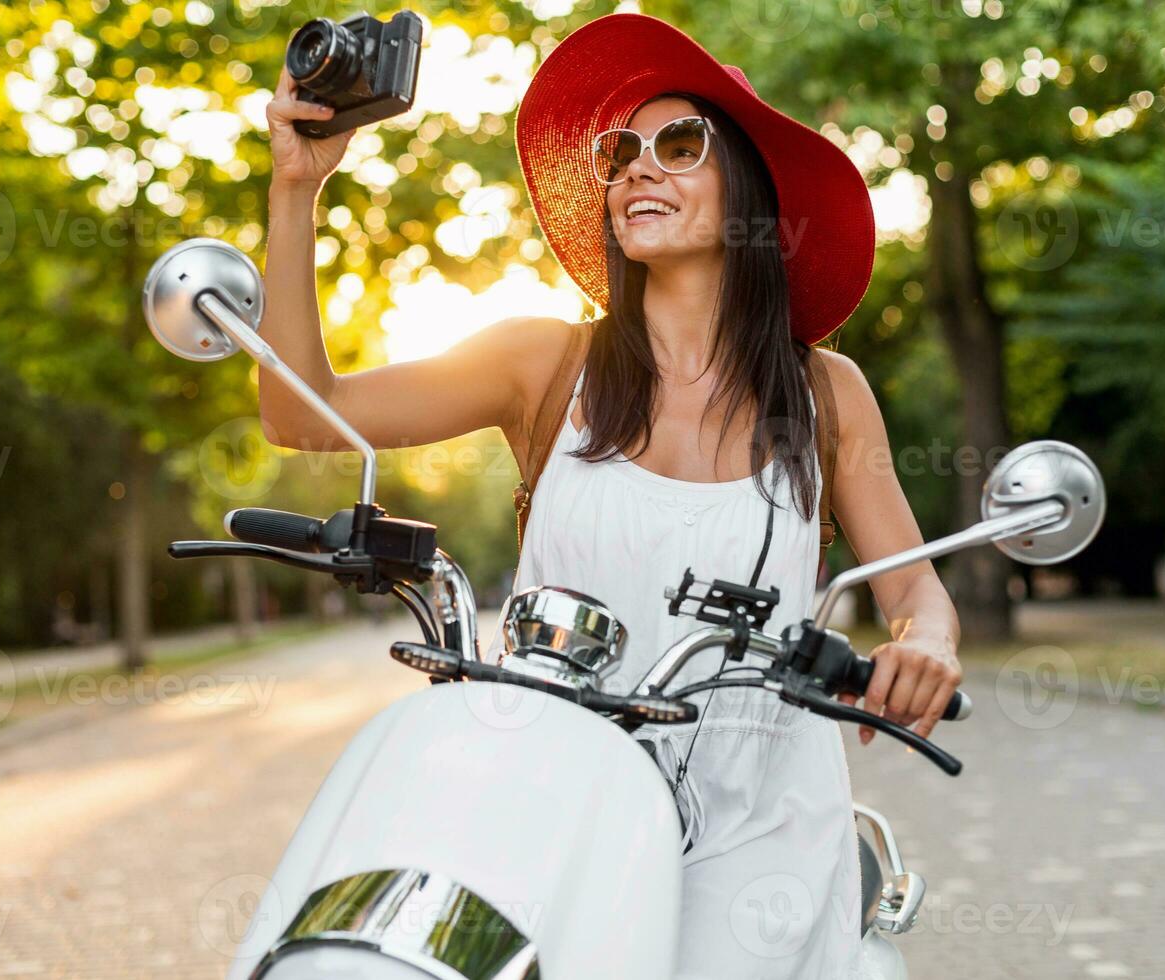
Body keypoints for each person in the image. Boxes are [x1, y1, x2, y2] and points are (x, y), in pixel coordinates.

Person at [257, 13, 962, 979]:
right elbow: (306, 414)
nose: (637, 168)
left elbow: (913, 592)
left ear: (747, 189)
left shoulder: (826, 394)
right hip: (554, 796)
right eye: (618, 152)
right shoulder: (543, 364)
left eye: (678, 145)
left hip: (760, 831)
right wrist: (298, 189)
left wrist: (927, 643)